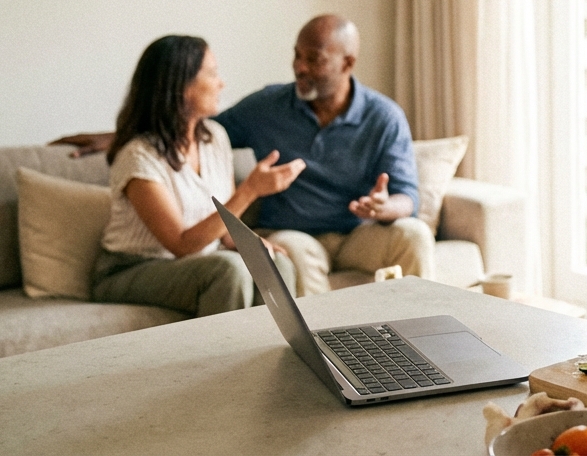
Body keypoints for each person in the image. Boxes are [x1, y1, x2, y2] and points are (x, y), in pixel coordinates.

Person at [58, 15, 433, 297]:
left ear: (347, 64)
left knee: (413, 234)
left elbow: (408, 198)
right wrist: (121, 135)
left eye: (313, 59)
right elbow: (173, 128)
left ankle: (423, 337)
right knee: (279, 259)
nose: (299, 67)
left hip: (357, 233)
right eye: (296, 55)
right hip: (293, 233)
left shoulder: (384, 116)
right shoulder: (264, 107)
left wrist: (384, 207)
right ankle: (326, 357)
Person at [94, 35, 305, 316]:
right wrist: (250, 190)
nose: (221, 83)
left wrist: (253, 245)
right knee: (227, 270)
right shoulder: (138, 156)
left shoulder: (215, 138)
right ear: (182, 86)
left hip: (198, 261)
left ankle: (272, 345)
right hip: (131, 268)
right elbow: (182, 245)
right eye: (213, 73)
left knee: (278, 265)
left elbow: (225, 227)